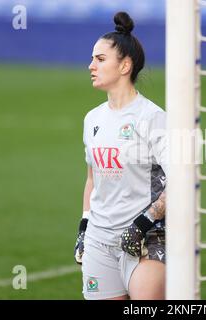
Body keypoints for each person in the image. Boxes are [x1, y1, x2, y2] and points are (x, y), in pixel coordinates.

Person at [73, 11, 167, 300]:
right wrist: (84, 224)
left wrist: (142, 224)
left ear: (125, 65)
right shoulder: (92, 119)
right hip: (99, 240)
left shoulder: (153, 117)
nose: (91, 66)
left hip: (147, 240)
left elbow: (182, 180)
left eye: (100, 59)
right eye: (92, 59)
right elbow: (93, 178)